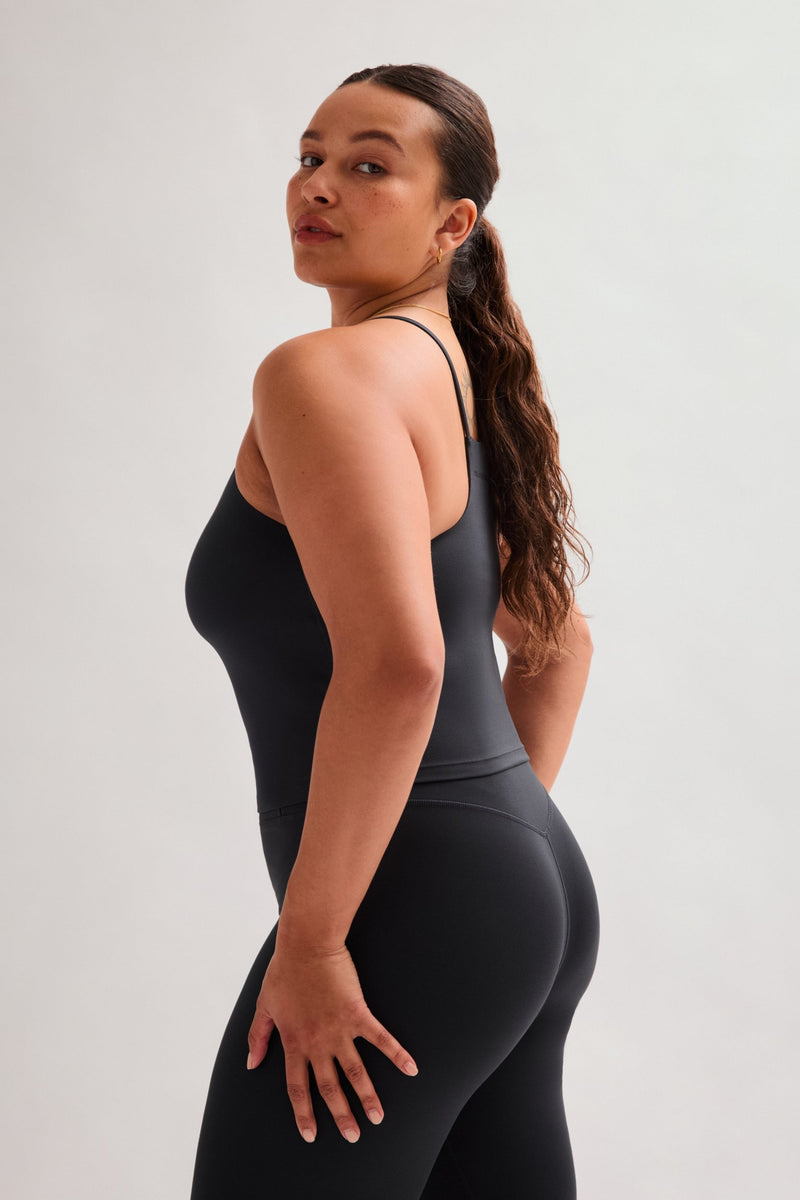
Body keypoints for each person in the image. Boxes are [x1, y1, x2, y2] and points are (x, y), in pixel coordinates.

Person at [184, 62, 600, 1200]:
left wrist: (319, 942)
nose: (318, 185)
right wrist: (491, 850)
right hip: (517, 887)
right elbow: (557, 647)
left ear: (452, 223)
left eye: (369, 166)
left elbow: (399, 666)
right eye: (309, 156)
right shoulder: (451, 375)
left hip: (413, 907)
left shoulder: (321, 375)